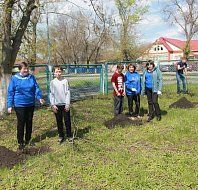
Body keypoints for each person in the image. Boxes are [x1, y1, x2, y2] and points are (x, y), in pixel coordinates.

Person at [7, 62, 44, 151]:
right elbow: (10, 92)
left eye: (27, 68)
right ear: (20, 69)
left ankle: (28, 140)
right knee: (21, 122)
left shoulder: (31, 77)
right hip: (19, 104)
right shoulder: (15, 79)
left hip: (30, 104)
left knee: (29, 121)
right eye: (24, 69)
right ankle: (20, 142)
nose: (26, 70)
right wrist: (9, 105)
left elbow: (36, 88)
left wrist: (39, 98)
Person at [50, 66, 72, 144]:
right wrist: (52, 105)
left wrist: (67, 104)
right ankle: (61, 136)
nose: (58, 73)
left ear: (61, 72)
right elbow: (51, 94)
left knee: (67, 120)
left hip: (65, 104)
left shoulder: (65, 81)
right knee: (59, 121)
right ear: (54, 73)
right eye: (56, 72)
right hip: (56, 105)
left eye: (59, 71)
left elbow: (68, 93)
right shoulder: (52, 82)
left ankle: (69, 136)